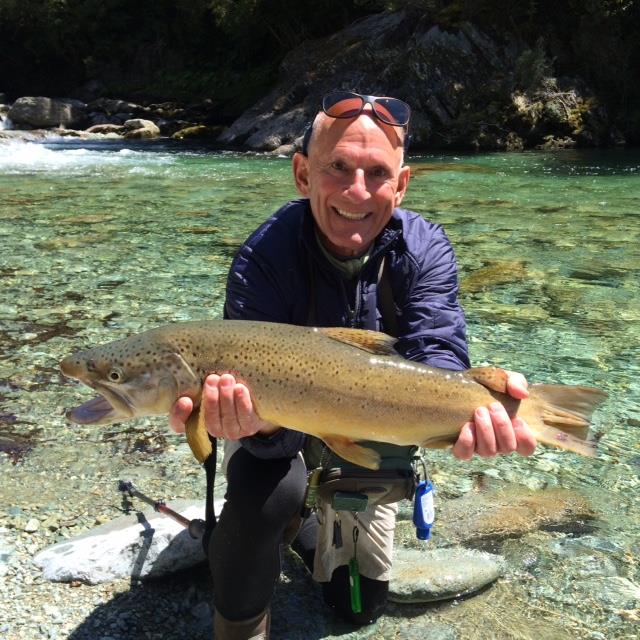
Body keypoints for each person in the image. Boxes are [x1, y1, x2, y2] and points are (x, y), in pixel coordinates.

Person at [169, 91, 536, 639]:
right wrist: (256, 423)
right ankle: (242, 621)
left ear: (402, 183)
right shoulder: (263, 258)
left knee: (358, 607)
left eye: (376, 173)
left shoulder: (424, 247)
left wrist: (475, 410)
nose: (356, 191)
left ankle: (315, 524)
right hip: (283, 430)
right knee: (265, 494)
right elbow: (258, 434)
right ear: (301, 174)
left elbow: (438, 349)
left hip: (375, 422)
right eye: (337, 168)